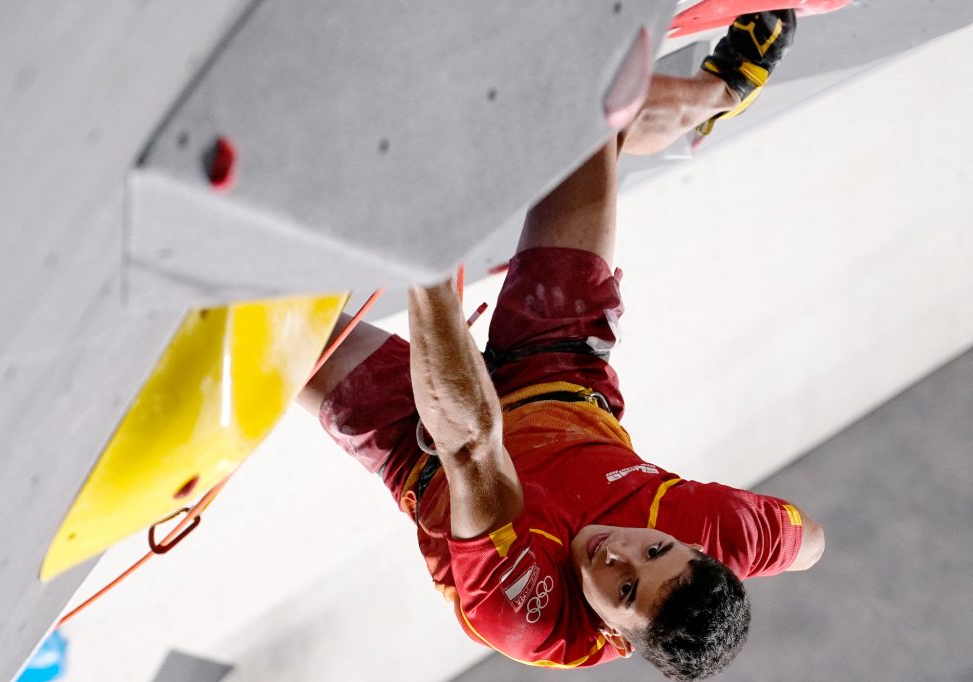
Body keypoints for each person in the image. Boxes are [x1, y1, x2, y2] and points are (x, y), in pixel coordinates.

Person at [300, 11, 823, 680]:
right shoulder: (717, 533)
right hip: (557, 363)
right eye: (657, 550)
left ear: (617, 635)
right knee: (586, 108)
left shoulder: (532, 615)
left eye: (627, 591)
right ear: (690, 547)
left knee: (253, 317)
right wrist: (768, 553)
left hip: (423, 447)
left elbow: (468, 446)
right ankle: (709, 98)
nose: (620, 555)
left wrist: (426, 264)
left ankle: (649, 120)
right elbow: (809, 542)